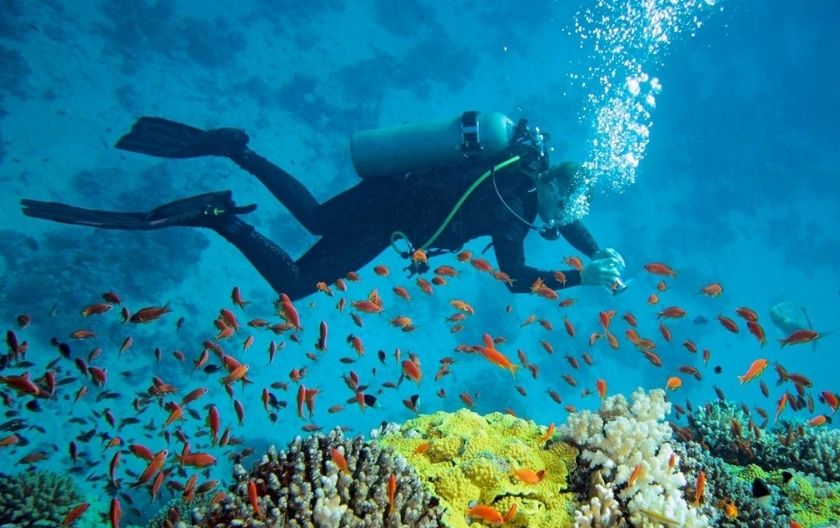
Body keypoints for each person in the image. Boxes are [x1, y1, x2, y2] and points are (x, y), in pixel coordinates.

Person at [20, 113, 625, 300]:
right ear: (550, 187)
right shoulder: (512, 206)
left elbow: (567, 217)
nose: (560, 220)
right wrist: (581, 277)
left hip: (392, 200)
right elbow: (516, 279)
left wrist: (596, 252)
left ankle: (236, 158)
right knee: (296, 282)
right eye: (560, 206)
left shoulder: (525, 172)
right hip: (389, 217)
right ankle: (220, 215)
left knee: (311, 224)